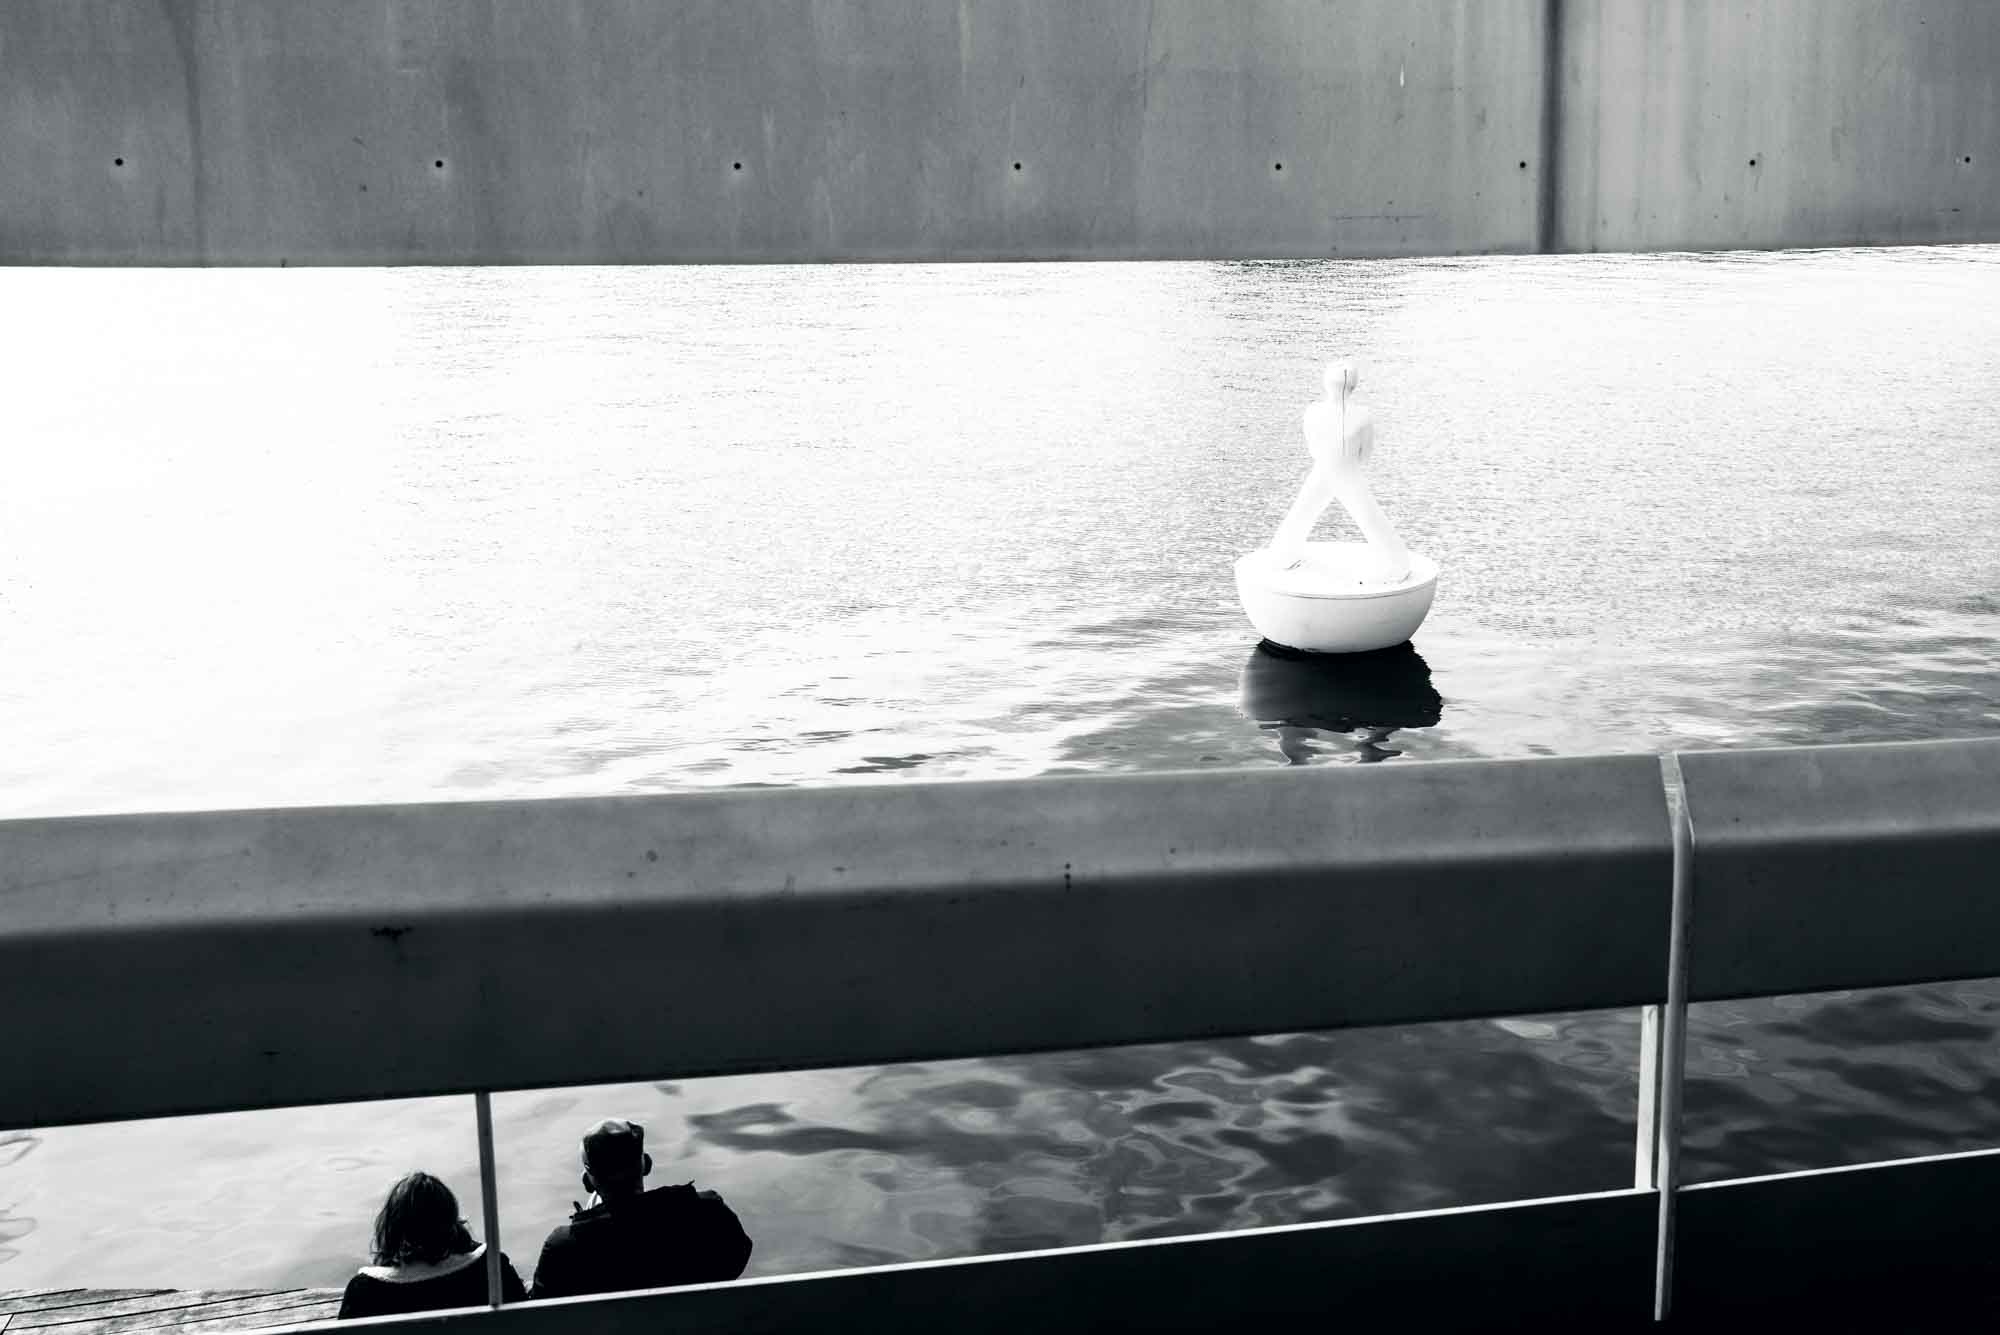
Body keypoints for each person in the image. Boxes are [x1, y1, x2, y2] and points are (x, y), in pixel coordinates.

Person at [529, 1118, 751, 1299]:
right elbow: (738, 1255)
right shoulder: (707, 1212)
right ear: (646, 1164)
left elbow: (542, 1307)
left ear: (587, 1182)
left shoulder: (563, 1248)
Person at [338, 1171, 526, 1318]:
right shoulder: (493, 1269)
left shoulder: (364, 1292)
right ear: (451, 1222)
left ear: (392, 1228)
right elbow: (527, 1321)